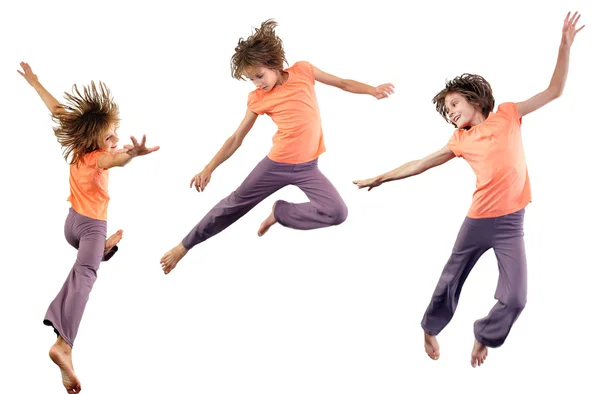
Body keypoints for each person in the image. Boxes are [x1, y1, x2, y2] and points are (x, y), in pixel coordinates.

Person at [353, 11, 584, 368]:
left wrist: (565, 46)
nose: (451, 113)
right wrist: (381, 177)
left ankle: (484, 335)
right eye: (446, 111)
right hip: (477, 222)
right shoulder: (459, 140)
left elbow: (554, 91)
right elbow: (422, 162)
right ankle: (430, 327)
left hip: (511, 224)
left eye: (454, 105)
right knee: (451, 279)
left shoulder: (508, 114)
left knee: (516, 298)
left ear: (475, 100)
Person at [160, 19, 395, 274]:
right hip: (275, 166)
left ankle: (280, 212)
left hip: (308, 167)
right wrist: (209, 168)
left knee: (337, 212)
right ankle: (184, 246)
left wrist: (372, 90)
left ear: (274, 63)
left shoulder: (303, 70)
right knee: (232, 205)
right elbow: (236, 138)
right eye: (251, 79)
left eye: (259, 76)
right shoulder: (258, 99)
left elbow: (343, 83)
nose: (257, 83)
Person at [18, 62, 159, 392]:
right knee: (86, 276)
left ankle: (101, 251)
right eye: (110, 136)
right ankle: (63, 345)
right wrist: (132, 155)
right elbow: (114, 160)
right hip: (91, 227)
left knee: (86, 265)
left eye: (116, 133)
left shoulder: (82, 144)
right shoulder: (99, 156)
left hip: (72, 225)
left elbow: (57, 109)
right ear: (96, 140)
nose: (116, 139)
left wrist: (36, 83)